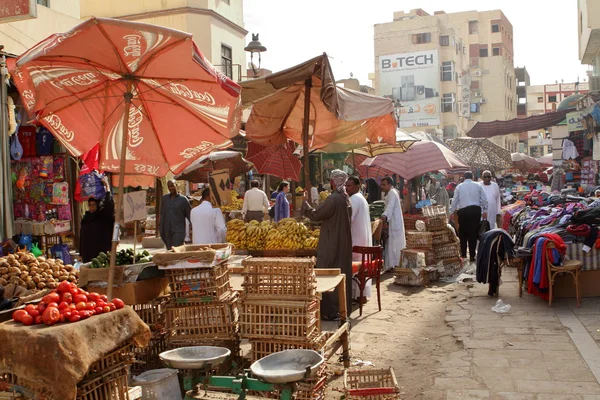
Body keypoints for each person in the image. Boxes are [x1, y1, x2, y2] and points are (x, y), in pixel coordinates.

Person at [303, 170, 353, 320]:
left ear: (333, 182)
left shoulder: (334, 199)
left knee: (327, 271)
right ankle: (342, 307)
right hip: (342, 241)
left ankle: (331, 311)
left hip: (331, 241)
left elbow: (317, 215)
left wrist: (305, 204)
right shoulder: (345, 199)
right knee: (341, 270)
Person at [345, 176, 373, 302]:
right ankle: (360, 295)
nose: (347, 188)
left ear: (357, 186)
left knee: (355, 268)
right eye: (346, 186)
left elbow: (349, 219)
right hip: (362, 238)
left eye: (349, 186)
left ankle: (357, 295)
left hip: (357, 240)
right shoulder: (360, 198)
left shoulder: (354, 199)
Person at [451, 171, 488, 262]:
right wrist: (485, 210)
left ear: (464, 177)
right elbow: (484, 199)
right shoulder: (478, 185)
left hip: (463, 212)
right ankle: (472, 255)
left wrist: (451, 211)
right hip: (475, 211)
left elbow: (455, 200)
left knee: (463, 233)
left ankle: (463, 254)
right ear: (472, 177)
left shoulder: (459, 186)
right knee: (473, 233)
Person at [79, 179, 114, 263]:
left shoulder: (102, 215)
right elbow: (82, 236)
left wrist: (107, 187)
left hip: (101, 252)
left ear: (97, 205)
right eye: (90, 205)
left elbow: (109, 204)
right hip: (87, 253)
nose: (92, 207)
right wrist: (80, 253)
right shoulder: (86, 218)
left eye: (94, 205)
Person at [380, 176, 406, 271]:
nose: (382, 186)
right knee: (392, 244)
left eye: (384, 185)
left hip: (394, 223)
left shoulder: (392, 193)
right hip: (393, 221)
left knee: (394, 244)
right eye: (381, 184)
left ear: (390, 185)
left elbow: (389, 207)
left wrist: (384, 216)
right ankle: (393, 264)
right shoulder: (390, 193)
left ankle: (394, 264)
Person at [160, 180, 191, 250]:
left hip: (178, 231)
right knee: (169, 251)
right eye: (169, 187)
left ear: (176, 185)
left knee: (177, 250)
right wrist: (161, 229)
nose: (171, 188)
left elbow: (189, 216)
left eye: (172, 186)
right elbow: (162, 214)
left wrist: (193, 229)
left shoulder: (183, 200)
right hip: (167, 230)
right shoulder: (164, 199)